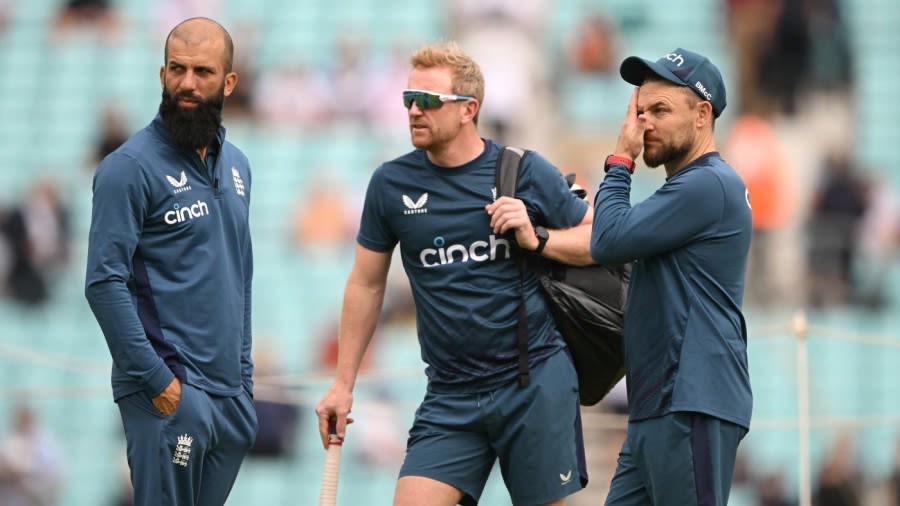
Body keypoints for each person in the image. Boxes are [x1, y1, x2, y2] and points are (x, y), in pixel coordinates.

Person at [315, 41, 594, 506]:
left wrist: (537, 237)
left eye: (427, 101)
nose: (413, 112)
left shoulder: (523, 170)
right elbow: (366, 282)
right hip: (449, 395)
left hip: (533, 383)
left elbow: (599, 240)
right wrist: (343, 384)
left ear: (469, 110)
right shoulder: (391, 184)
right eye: (408, 100)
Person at [84, 17, 257, 506]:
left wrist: (243, 381)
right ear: (161, 75)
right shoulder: (128, 168)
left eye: (202, 71)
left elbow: (240, 274)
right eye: (176, 69)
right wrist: (161, 383)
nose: (187, 83)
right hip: (170, 394)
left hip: (229, 400)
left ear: (228, 82)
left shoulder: (239, 164)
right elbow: (103, 283)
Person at [590, 48, 753, 505]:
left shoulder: (708, 183)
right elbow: (607, 232)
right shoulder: (686, 191)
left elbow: (607, 240)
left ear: (703, 115)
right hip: (659, 403)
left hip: (690, 400)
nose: (644, 125)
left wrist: (620, 160)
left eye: (660, 110)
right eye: (640, 112)